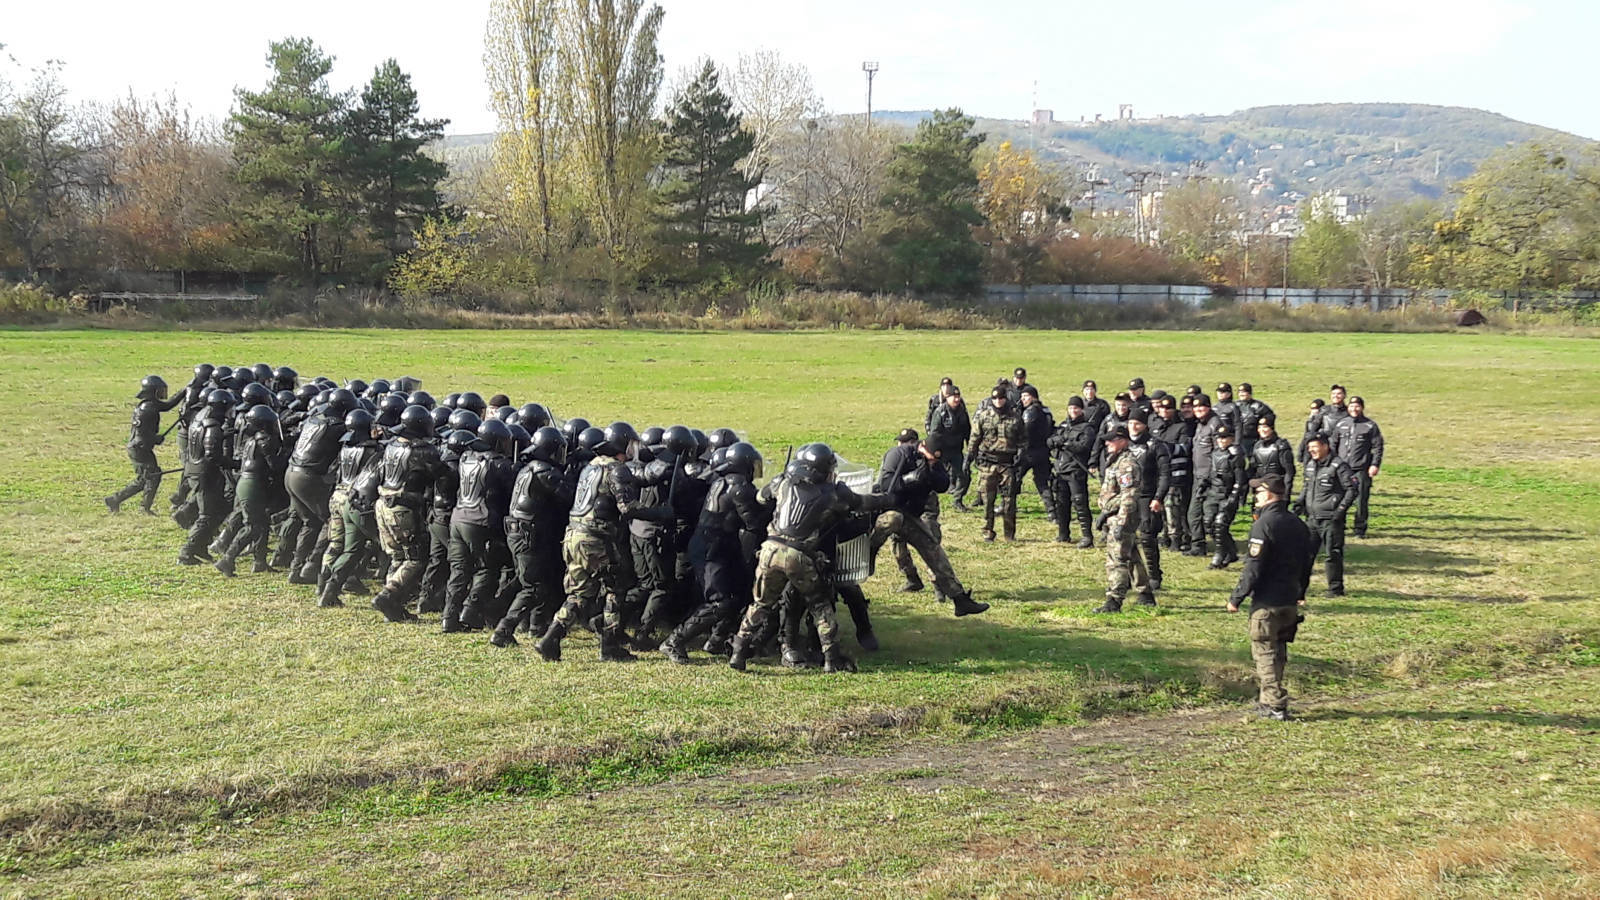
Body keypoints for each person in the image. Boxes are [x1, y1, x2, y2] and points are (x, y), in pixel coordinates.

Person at [726, 443, 891, 673]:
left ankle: (739, 651)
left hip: (769, 549)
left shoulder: (783, 482)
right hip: (798, 554)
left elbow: (762, 498)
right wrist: (887, 498)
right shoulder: (833, 493)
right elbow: (863, 503)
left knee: (760, 604)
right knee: (820, 605)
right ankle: (831, 658)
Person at [535, 422, 670, 662]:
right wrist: (660, 513)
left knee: (580, 592)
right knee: (615, 589)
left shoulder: (592, 466)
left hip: (574, 535)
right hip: (596, 539)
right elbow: (626, 507)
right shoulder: (617, 469)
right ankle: (609, 645)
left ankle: (550, 638)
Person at [661, 442, 771, 663]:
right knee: (719, 602)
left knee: (737, 597)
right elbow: (754, 522)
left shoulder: (722, 481)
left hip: (717, 546)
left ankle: (716, 641)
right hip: (712, 549)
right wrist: (773, 503)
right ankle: (674, 641)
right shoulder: (739, 487)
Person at [870, 431, 988, 616]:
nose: (933, 461)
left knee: (933, 549)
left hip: (910, 515)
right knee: (894, 519)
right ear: (923, 447)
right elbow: (886, 485)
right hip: (887, 512)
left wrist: (931, 470)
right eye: (931, 457)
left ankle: (959, 599)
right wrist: (910, 479)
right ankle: (870, 550)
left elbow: (943, 485)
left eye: (936, 459)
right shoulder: (899, 455)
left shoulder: (933, 463)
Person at [1228, 474, 1314, 721]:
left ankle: (1276, 704)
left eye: (1258, 492)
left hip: (1266, 602)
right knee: (1279, 653)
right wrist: (1301, 592)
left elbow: (1253, 567)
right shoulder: (1298, 524)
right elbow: (1306, 564)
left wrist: (1237, 597)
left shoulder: (1263, 525)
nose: (1255, 497)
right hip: (1289, 599)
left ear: (1270, 494)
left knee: (1264, 653)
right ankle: (1267, 702)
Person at [491, 426, 573, 647]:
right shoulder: (544, 472)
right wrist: (571, 473)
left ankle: (535, 625)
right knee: (532, 587)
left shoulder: (528, 468)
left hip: (519, 533)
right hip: (528, 535)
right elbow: (569, 496)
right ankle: (503, 630)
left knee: (538, 582)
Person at [370, 405, 444, 622]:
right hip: (403, 509)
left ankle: (392, 607)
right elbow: (441, 473)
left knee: (397, 556)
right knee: (416, 559)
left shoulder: (391, 446)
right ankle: (388, 595)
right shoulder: (422, 450)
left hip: (383, 504)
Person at [445, 419, 518, 632]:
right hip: (480, 521)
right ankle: (470, 610)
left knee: (458, 570)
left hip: (457, 519)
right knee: (487, 569)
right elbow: (510, 491)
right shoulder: (499, 464)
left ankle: (449, 617)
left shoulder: (466, 457)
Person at [212, 404, 282, 576]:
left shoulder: (251, 440)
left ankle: (260, 562)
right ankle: (227, 559)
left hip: (246, 483)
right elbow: (275, 466)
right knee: (253, 526)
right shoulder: (265, 440)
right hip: (253, 485)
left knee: (262, 523)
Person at [106, 375, 184, 515]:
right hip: (140, 448)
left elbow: (168, 405)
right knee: (152, 476)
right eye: (159, 391)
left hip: (141, 447)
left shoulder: (150, 404)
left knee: (146, 478)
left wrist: (186, 390)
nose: (162, 394)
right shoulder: (148, 409)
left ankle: (115, 500)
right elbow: (143, 434)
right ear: (152, 391)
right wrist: (156, 439)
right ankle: (143, 507)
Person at [177, 389, 236, 565]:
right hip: (205, 474)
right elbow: (213, 456)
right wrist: (235, 463)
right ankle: (187, 551)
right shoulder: (212, 426)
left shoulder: (200, 419)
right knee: (207, 515)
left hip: (195, 470)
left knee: (217, 509)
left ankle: (201, 547)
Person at [1093, 426, 1149, 612]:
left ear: (1123, 440)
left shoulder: (1127, 464)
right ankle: (1145, 593)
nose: (1107, 443)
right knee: (1131, 554)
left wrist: (1122, 522)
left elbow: (1129, 495)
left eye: (1112, 440)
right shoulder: (1116, 461)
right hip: (1113, 515)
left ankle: (1114, 600)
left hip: (1122, 517)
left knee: (1116, 558)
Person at [1299, 433, 1358, 597]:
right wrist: (1300, 503)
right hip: (1312, 519)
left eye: (1315, 447)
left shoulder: (1339, 466)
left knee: (1332, 553)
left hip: (1331, 519)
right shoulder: (1310, 465)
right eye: (1309, 447)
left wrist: (1340, 511)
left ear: (1325, 446)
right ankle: (1299, 589)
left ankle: (1335, 589)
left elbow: (1352, 489)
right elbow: (1307, 487)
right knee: (1306, 554)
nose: (1311, 450)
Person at [968, 385, 1024, 542]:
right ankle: (988, 532)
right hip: (987, 463)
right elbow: (975, 438)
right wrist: (970, 456)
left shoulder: (1015, 417)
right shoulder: (983, 416)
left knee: (1009, 501)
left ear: (1005, 399)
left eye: (1001, 398)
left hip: (1007, 464)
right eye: (995, 398)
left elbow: (1023, 440)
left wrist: (1021, 454)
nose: (998, 401)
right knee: (987, 501)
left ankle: (1009, 534)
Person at [1126, 412, 1171, 594]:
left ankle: (1154, 575)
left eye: (1137, 423)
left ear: (1144, 425)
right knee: (1125, 538)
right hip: (1128, 495)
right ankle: (1129, 577)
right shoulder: (1124, 443)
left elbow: (1165, 474)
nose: (1133, 427)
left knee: (1147, 537)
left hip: (1147, 495)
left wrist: (1159, 497)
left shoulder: (1155, 445)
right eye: (1131, 423)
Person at [1046, 396, 1097, 547]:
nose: (1073, 411)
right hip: (1061, 469)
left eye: (1076, 408)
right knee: (1061, 504)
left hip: (1076, 470)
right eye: (1070, 408)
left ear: (1081, 410)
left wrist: (1067, 444)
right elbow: (1049, 441)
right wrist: (1054, 442)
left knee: (1080, 503)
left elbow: (1084, 446)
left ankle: (1087, 537)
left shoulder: (1087, 428)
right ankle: (1063, 534)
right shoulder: (1063, 425)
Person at [1331, 396, 1384, 537]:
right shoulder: (1341, 424)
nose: (1354, 409)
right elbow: (1333, 444)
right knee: (1339, 497)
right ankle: (1338, 526)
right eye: (1351, 406)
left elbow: (1377, 447)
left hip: (1361, 468)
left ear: (1362, 408)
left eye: (1357, 406)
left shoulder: (1370, 426)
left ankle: (1360, 529)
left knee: (1361, 500)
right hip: (1342, 469)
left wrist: (1374, 464)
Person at [1201, 425, 1248, 569]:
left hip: (1227, 495)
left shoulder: (1235, 456)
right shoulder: (1215, 453)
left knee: (1221, 524)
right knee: (1209, 524)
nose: (1221, 441)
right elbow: (1211, 473)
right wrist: (1203, 485)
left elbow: (1240, 480)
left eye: (1225, 438)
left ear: (1231, 439)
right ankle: (1231, 551)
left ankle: (1220, 555)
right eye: (1219, 438)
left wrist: (1234, 497)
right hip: (1214, 493)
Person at [1151, 396, 1193, 553]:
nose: (1164, 411)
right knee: (1161, 506)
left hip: (1177, 474)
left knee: (1172, 506)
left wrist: (1163, 447)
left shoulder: (1182, 427)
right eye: (1162, 408)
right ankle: (1166, 535)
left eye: (1168, 408)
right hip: (1160, 473)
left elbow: (1184, 448)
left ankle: (1177, 537)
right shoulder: (1158, 426)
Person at [1186, 394, 1222, 554]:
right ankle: (1198, 545)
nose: (1198, 410)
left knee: (1208, 515)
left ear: (1208, 407)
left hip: (1210, 478)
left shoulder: (1215, 424)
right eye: (1195, 407)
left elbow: (1219, 452)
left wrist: (1211, 477)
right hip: (1198, 475)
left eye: (1201, 407)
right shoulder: (1200, 424)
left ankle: (1223, 547)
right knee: (1194, 513)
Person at [925, 386, 971, 512]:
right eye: (953, 397)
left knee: (964, 475)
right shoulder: (940, 412)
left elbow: (968, 431)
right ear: (947, 398)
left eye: (958, 396)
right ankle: (929, 501)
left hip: (956, 450)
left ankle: (957, 500)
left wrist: (970, 448)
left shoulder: (962, 412)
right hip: (942, 450)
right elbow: (934, 433)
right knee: (934, 475)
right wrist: (936, 450)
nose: (956, 399)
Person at [1017, 387, 1055, 520]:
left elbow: (1024, 432)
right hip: (1043, 451)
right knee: (1042, 482)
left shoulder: (1031, 412)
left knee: (1015, 478)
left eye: (1026, 396)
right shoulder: (1046, 410)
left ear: (1033, 397)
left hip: (1029, 452)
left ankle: (1008, 505)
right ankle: (1051, 510)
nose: (1023, 399)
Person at [1248, 415, 1297, 502]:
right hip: (1261, 487)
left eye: (1265, 427)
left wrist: (1286, 493)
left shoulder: (1281, 445)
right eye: (1260, 427)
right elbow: (1253, 468)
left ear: (1272, 428)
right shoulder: (1257, 446)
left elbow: (1289, 472)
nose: (1262, 430)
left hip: (1276, 488)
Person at [1236, 383, 1274, 457]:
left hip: (1253, 440)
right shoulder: (1234, 406)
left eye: (1244, 392)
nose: (1241, 394)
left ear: (1249, 393)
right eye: (1240, 392)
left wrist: (1264, 420)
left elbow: (1270, 416)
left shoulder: (1258, 406)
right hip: (1238, 440)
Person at [1298, 399, 1326, 463]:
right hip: (1308, 452)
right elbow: (1305, 437)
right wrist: (1300, 451)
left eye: (1315, 408)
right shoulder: (1310, 421)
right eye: (1312, 408)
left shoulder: (1325, 421)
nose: (1313, 410)